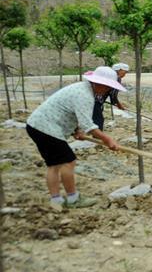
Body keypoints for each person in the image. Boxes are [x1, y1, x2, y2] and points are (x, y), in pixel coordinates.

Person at [26, 66, 122, 208]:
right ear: (100, 84)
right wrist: (107, 139)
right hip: (47, 128)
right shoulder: (85, 95)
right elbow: (88, 125)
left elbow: (68, 112)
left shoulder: (81, 88)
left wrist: (75, 131)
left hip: (36, 125)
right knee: (68, 161)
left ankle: (56, 200)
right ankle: (73, 199)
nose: (108, 90)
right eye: (108, 87)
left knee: (54, 165)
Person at [91, 63, 129, 130]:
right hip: (96, 100)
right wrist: (119, 105)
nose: (125, 75)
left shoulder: (108, 75)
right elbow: (113, 94)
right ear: (120, 70)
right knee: (99, 119)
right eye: (125, 72)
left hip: (93, 98)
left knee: (94, 115)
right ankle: (97, 136)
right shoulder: (116, 78)